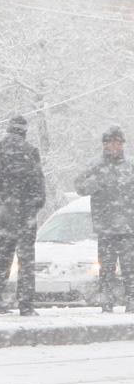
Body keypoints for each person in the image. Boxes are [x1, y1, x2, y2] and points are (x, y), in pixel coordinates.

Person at [0, 115, 46, 316]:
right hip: (25, 215)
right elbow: (39, 186)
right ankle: (26, 304)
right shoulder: (30, 152)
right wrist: (33, 207)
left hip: (3, 216)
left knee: (2, 258)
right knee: (26, 261)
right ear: (24, 131)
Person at [75, 126, 134, 313]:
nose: (115, 146)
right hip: (105, 227)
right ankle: (106, 302)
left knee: (129, 268)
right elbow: (80, 187)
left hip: (128, 226)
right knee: (106, 268)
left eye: (119, 142)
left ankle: (131, 301)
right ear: (104, 145)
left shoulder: (130, 166)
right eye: (111, 142)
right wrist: (96, 183)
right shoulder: (95, 165)